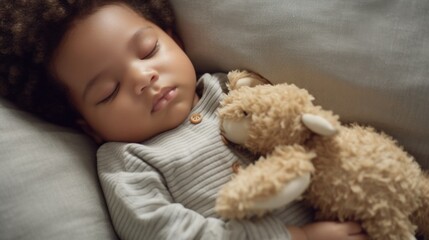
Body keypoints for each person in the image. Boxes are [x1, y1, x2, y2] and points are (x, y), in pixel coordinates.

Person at [0, 1, 368, 239]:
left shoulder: (231, 88)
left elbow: (304, 129)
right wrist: (293, 237)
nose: (143, 78)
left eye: (148, 51)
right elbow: (165, 232)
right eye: (109, 91)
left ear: (173, 38)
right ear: (89, 127)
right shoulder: (127, 161)